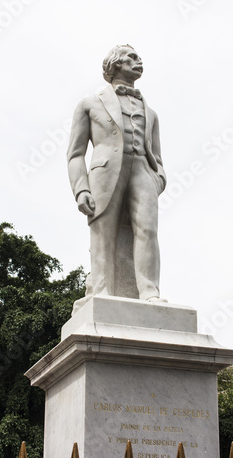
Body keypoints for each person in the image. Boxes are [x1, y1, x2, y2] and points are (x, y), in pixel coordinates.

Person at [67, 45, 167, 311]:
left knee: (148, 230)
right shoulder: (89, 104)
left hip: (143, 172)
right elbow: (76, 154)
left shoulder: (152, 113)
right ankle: (102, 291)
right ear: (114, 64)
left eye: (139, 58)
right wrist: (81, 189)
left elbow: (156, 154)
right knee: (103, 232)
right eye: (131, 58)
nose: (139, 61)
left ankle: (150, 293)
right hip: (104, 172)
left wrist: (159, 177)